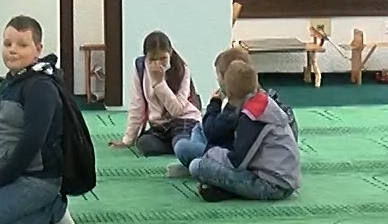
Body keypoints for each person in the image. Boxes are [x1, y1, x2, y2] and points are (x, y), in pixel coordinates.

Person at [0, 16, 76, 224]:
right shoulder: (10, 82)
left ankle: (54, 209)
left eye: (22, 45)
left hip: (37, 179)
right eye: (8, 44)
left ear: (38, 49)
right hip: (7, 174)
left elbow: (32, 141)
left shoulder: (40, 88)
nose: (13, 50)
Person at [188, 61, 300, 202]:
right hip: (284, 180)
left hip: (272, 186)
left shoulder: (251, 118)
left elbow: (237, 163)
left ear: (229, 92)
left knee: (197, 166)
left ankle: (229, 190)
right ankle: (224, 191)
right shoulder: (264, 102)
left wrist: (211, 152)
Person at [110, 32, 202, 158]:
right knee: (143, 143)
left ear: (170, 53)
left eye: (163, 58)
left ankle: (182, 144)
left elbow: (176, 110)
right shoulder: (140, 67)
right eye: (152, 59)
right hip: (160, 126)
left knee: (181, 144)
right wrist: (127, 140)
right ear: (146, 57)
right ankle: (176, 146)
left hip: (183, 120)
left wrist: (159, 83)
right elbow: (137, 106)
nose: (158, 64)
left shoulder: (182, 69)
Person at [170, 47, 250, 176]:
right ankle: (197, 161)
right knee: (198, 128)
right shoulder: (244, 97)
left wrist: (214, 103)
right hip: (223, 143)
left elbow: (212, 131)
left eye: (218, 77)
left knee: (182, 147)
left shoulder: (235, 106)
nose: (217, 81)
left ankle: (198, 163)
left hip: (228, 154)